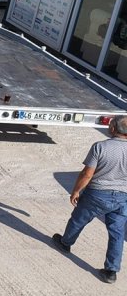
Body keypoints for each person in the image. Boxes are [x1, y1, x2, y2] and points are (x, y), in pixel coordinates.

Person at [52, 115, 127, 282]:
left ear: (113, 129)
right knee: (117, 233)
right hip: (122, 198)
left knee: (78, 220)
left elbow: (87, 174)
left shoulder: (100, 147)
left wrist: (76, 191)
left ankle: (65, 243)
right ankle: (111, 271)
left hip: (97, 194)